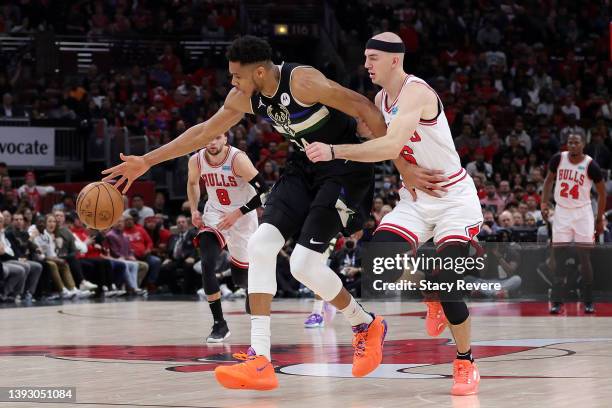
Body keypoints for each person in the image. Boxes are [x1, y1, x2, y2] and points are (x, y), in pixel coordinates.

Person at [101, 35, 443, 390]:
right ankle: (260, 358)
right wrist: (146, 161)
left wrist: (403, 166)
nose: (232, 82)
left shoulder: (303, 81)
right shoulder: (242, 98)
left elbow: (364, 108)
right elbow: (203, 132)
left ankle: (364, 323)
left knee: (304, 264)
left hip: (344, 165)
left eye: (237, 76)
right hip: (304, 165)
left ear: (260, 72)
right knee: (261, 244)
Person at [306, 32, 482, 395]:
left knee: (448, 284)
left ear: (394, 60)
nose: (366, 64)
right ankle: (428, 294)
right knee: (381, 257)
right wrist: (406, 170)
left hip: (452, 197)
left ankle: (465, 361)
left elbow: (388, 143)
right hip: (417, 196)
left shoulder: (416, 92)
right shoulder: (381, 98)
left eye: (372, 58)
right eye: (366, 57)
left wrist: (335, 150)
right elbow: (392, 151)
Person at [187, 132, 266, 342]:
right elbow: (193, 183)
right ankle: (219, 324)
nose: (211, 142)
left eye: (217, 137)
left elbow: (265, 191)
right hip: (215, 214)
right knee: (207, 263)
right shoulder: (196, 160)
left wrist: (238, 213)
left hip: (243, 216)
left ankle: (251, 287)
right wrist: (194, 210)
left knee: (241, 278)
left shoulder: (237, 159)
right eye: (208, 138)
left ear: (225, 140)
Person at [541, 133, 606, 314]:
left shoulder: (590, 165)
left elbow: (602, 193)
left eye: (576, 142)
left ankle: (588, 300)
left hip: (583, 212)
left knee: (584, 257)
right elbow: (548, 181)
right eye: (570, 142)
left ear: (583, 145)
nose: (573, 145)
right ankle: (556, 301)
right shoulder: (558, 159)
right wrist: (544, 203)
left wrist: (599, 217)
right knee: (559, 255)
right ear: (567, 144)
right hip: (562, 211)